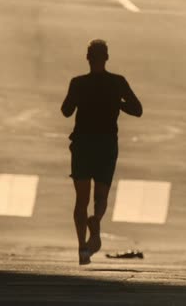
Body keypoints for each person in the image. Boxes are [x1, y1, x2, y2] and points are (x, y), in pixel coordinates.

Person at [61, 39, 143, 265]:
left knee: (81, 199)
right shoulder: (117, 83)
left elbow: (66, 111)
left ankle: (82, 248)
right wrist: (118, 104)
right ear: (106, 58)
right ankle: (96, 220)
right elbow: (138, 109)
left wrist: (77, 98)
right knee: (101, 195)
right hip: (106, 144)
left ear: (88, 58)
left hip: (82, 144)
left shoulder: (78, 83)